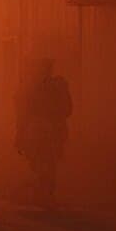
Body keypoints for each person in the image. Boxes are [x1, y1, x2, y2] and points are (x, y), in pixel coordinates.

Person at [15, 58, 73, 208]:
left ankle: (43, 193)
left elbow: (23, 112)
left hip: (40, 131)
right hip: (51, 130)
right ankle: (45, 193)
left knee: (41, 162)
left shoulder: (32, 87)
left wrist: (20, 134)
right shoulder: (57, 86)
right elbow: (68, 109)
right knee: (49, 163)